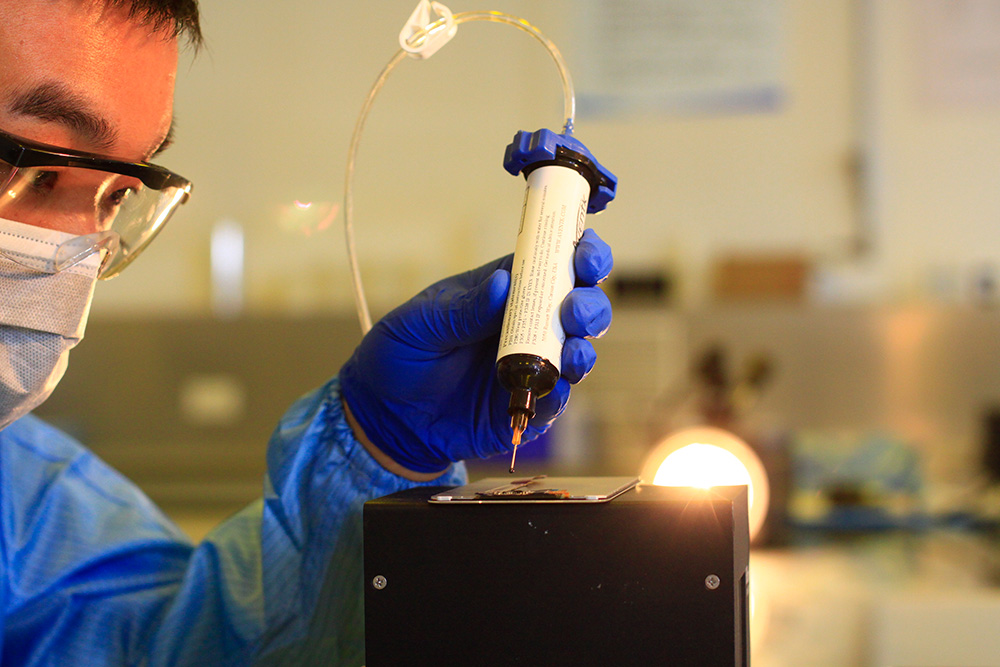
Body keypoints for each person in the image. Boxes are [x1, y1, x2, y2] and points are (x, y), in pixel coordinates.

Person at [0, 1, 614, 664]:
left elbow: (170, 646)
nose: (74, 258)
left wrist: (381, 448)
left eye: (118, 193)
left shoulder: (29, 509)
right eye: (40, 172)